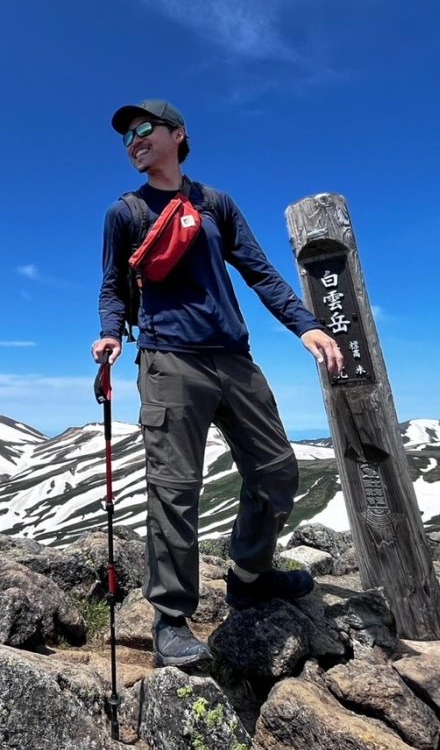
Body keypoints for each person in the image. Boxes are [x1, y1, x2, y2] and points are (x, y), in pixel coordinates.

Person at [92, 99, 345, 671]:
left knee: (277, 469)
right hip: (168, 362)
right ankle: (171, 618)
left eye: (143, 129)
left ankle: (249, 575)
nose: (133, 139)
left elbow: (257, 268)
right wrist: (111, 333)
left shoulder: (214, 204)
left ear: (178, 135)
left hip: (234, 358)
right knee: (174, 490)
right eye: (126, 135)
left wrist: (304, 325)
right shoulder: (125, 211)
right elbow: (112, 287)